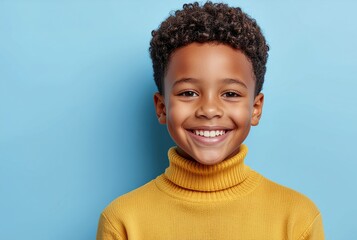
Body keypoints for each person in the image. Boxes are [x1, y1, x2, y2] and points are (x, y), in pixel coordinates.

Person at [96, 1, 325, 239]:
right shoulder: (123, 221)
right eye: (188, 93)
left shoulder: (297, 219)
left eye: (230, 94)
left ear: (255, 108)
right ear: (162, 107)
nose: (209, 109)